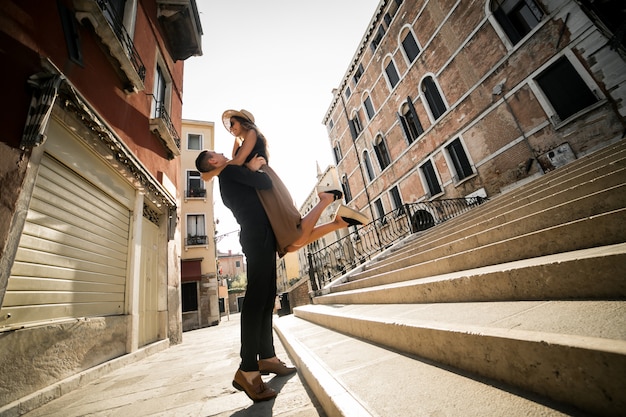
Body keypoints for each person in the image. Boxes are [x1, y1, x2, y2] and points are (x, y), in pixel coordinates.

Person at [195, 150, 293, 402]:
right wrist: (254, 168)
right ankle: (248, 369)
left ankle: (268, 357)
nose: (222, 153)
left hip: (261, 236)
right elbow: (264, 182)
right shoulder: (229, 171)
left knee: (266, 297)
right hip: (256, 237)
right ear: (213, 161)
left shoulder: (229, 174)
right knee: (255, 300)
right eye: (217, 153)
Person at [204, 109, 368, 257]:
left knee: (294, 235)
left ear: (243, 121)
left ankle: (326, 199)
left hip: (267, 183)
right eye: (229, 126)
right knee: (288, 245)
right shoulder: (241, 141)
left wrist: (212, 172)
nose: (231, 128)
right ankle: (338, 223)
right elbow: (234, 163)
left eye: (233, 123)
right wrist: (232, 161)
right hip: (259, 188)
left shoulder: (252, 133)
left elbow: (237, 162)